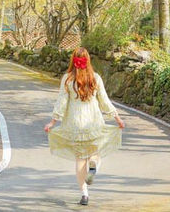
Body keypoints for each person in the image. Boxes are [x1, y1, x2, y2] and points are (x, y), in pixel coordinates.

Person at [44, 47, 125, 206]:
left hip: (74, 124)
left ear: (72, 61)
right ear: (88, 60)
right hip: (93, 122)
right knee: (95, 152)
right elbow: (104, 101)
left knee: (80, 159)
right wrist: (117, 118)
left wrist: (52, 122)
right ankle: (94, 166)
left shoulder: (67, 79)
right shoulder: (95, 78)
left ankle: (84, 194)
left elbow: (61, 103)